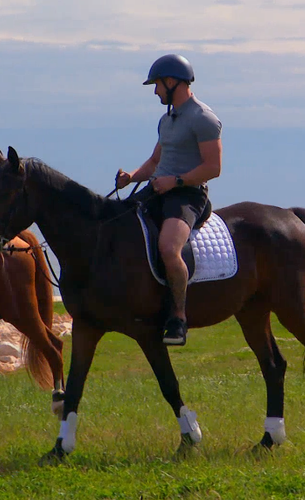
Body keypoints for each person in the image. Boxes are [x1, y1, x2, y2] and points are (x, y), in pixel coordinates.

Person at [115, 54, 222, 346]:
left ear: (172, 82)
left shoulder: (204, 118)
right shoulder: (167, 119)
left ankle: (178, 318)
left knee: (167, 247)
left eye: (158, 85)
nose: (155, 91)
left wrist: (175, 181)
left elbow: (213, 168)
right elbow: (154, 162)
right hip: (159, 189)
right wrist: (131, 177)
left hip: (188, 195)